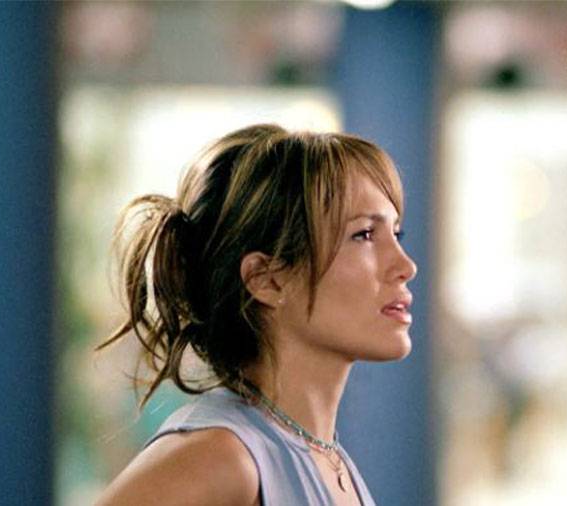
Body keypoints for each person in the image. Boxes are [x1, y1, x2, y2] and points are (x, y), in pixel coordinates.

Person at [95, 124, 417, 506]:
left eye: (396, 233)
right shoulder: (220, 456)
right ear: (267, 279)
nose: (406, 266)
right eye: (363, 235)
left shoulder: (326, 457)